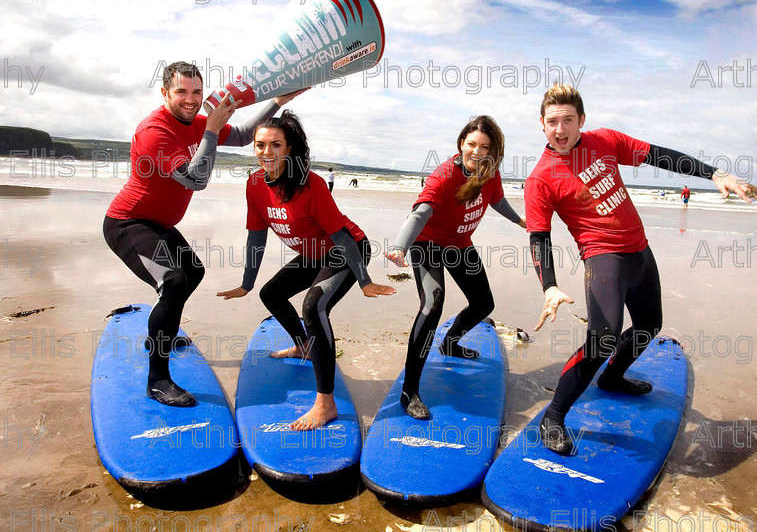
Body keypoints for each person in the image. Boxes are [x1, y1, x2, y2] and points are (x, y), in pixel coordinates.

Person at [525, 84, 757, 454]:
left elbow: (658, 156)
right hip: (604, 257)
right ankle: (553, 416)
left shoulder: (605, 140)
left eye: (568, 119)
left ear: (581, 120)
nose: (560, 128)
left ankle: (613, 377)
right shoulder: (541, 178)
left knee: (650, 323)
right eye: (552, 121)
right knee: (603, 337)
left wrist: (713, 174)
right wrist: (549, 286)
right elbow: (539, 237)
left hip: (640, 249)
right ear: (542, 124)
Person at [103, 61, 303, 408]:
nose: (191, 99)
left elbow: (241, 136)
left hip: (160, 225)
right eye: (181, 91)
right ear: (165, 92)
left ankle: (160, 334)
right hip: (128, 222)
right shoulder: (155, 131)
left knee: (192, 272)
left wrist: (276, 102)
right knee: (174, 281)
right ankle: (158, 380)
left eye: (197, 91)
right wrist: (210, 131)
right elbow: (196, 179)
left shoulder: (196, 123)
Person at [217, 110, 395, 430]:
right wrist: (246, 282)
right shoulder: (255, 184)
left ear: (289, 149)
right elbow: (256, 235)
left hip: (347, 249)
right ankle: (304, 346)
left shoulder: (310, 184)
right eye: (260, 145)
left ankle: (325, 404)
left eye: (276, 145)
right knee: (271, 294)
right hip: (313, 253)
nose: (266, 152)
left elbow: (341, 236)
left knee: (314, 306)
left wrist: (365, 280)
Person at [385, 115, 526, 419]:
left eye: (485, 147)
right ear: (462, 143)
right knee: (432, 305)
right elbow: (421, 212)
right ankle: (409, 392)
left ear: (494, 151)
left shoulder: (490, 173)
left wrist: (519, 220)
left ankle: (450, 342)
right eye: (471, 144)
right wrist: (400, 246)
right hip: (427, 244)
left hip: (459, 245)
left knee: (483, 303)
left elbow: (497, 200)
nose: (477, 151)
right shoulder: (445, 176)